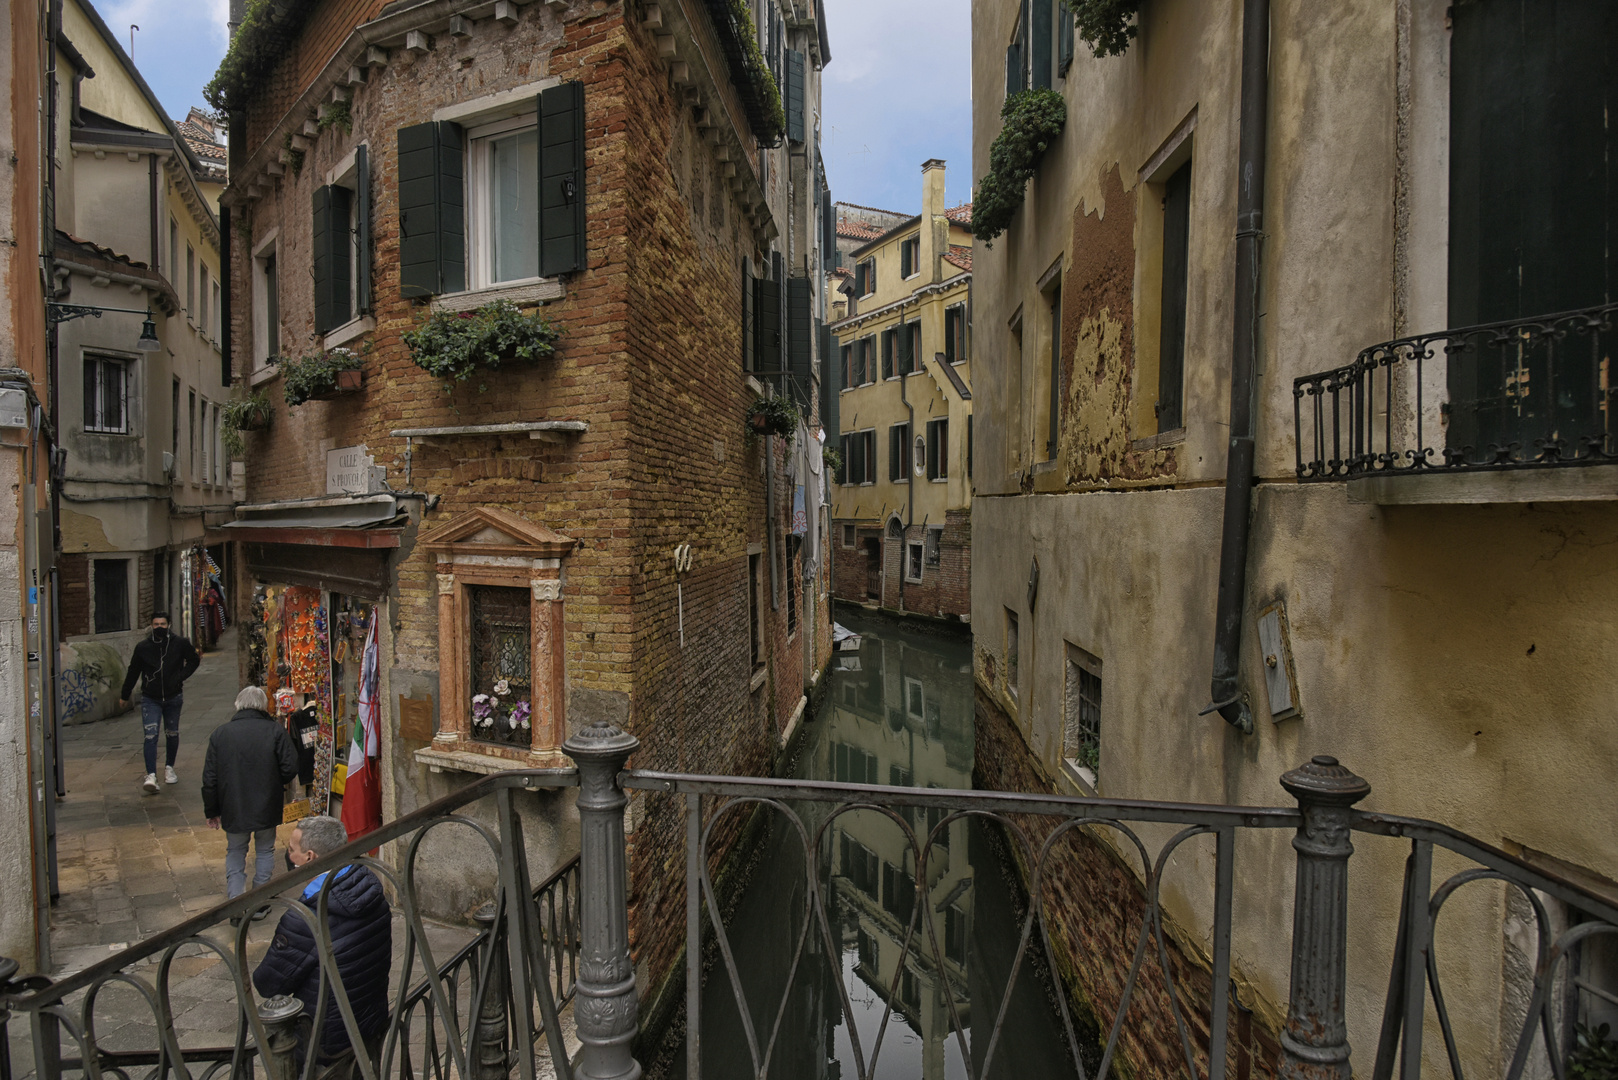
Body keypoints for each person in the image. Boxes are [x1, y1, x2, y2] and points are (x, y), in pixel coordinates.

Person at [253, 816, 392, 1079]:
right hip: (368, 1020)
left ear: (309, 857)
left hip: (324, 1038)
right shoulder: (370, 887)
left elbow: (269, 984)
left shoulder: (304, 918)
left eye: (292, 850)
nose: (288, 855)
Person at [201, 687, 299, 907]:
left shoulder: (221, 734)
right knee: (265, 850)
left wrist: (211, 810)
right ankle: (259, 901)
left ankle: (236, 901)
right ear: (262, 706)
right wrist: (273, 780)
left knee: (235, 850)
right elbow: (290, 766)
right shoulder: (274, 731)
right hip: (266, 803)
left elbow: (210, 778)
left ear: (238, 705)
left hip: (233, 804)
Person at [117, 612, 201, 794]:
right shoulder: (143, 648)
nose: (160, 627)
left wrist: (180, 677)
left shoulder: (179, 644)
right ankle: (151, 775)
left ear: (169, 624)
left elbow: (194, 660)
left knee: (172, 733)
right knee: (150, 735)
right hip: (150, 697)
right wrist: (125, 694)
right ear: (151, 626)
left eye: (163, 624)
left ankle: (169, 767)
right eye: (156, 624)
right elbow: (133, 671)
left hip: (173, 696)